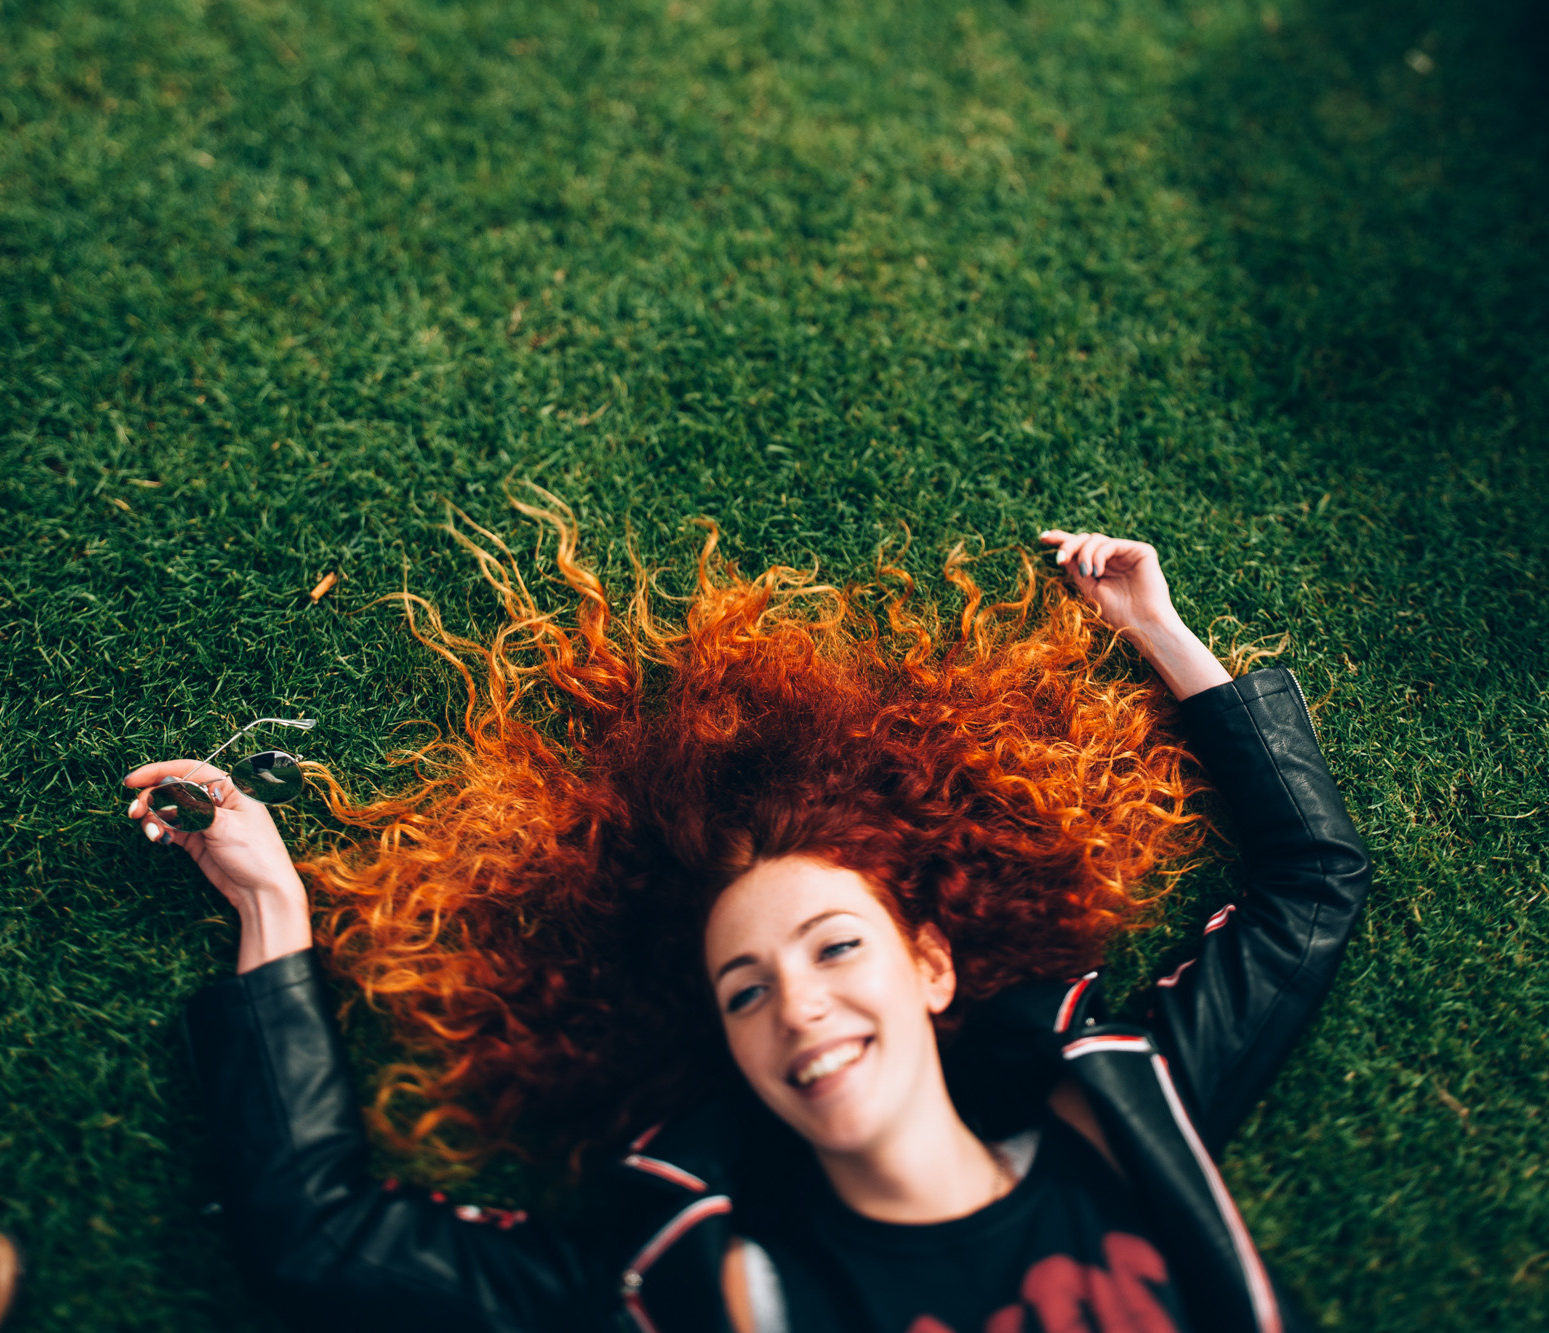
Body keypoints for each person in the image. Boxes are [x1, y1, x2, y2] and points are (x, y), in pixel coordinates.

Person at [128, 520, 1371, 1333]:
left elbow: (1310, 884)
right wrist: (272, 903)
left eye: (835, 944)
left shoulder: (1126, 1117)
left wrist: (1155, 630)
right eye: (746, 989)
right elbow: (323, 1242)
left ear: (929, 966)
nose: (800, 1007)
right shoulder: (697, 1283)